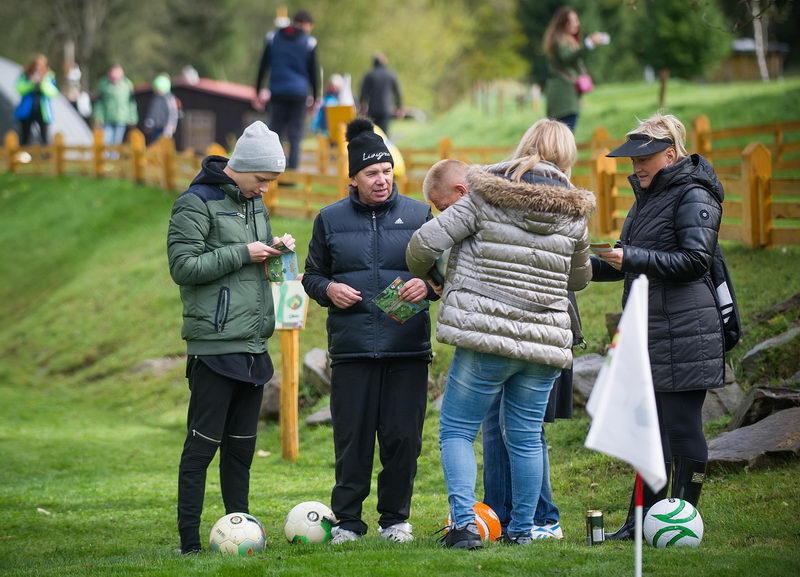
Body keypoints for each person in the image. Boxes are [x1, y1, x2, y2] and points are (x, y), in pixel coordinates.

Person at [406, 119, 593, 548]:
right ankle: (523, 531)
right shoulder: (575, 214)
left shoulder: (486, 193)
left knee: (457, 429)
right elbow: (579, 279)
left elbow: (422, 243)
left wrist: (434, 277)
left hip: (487, 333)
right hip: (544, 340)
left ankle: (465, 526)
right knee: (526, 438)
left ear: (525, 145)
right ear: (566, 157)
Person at [302, 118, 437, 545]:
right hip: (352, 350)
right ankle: (348, 522)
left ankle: (395, 520)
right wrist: (328, 289)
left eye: (386, 171)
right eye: (371, 173)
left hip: (407, 349)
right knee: (352, 440)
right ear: (353, 179)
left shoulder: (419, 215)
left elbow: (444, 273)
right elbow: (311, 276)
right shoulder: (328, 220)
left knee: (403, 439)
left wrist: (428, 287)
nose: (382, 180)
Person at [591, 113, 724, 540]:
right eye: (633, 160)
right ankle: (641, 523)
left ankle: (681, 522)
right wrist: (586, 267)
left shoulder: (694, 193)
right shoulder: (648, 197)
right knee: (648, 431)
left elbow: (695, 261)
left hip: (686, 329)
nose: (637, 166)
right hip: (649, 329)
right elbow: (633, 259)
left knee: (682, 428)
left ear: (670, 153)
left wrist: (629, 257)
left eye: (644, 158)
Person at [167, 121, 293, 554]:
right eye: (261, 179)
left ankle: (243, 531)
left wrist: (275, 250)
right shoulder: (195, 202)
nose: (265, 189)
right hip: (215, 346)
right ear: (239, 167)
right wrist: (244, 253)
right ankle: (188, 543)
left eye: (271, 181)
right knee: (201, 449)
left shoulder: (255, 204)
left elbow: (253, 264)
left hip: (254, 344)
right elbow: (183, 267)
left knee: (241, 450)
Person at [254, 9, 320, 171]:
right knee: (295, 133)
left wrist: (257, 90)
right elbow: (314, 73)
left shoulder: (273, 38)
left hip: (277, 92)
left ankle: (272, 167)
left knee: (275, 131)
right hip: (299, 94)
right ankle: (292, 170)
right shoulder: (309, 42)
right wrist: (315, 96)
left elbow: (263, 66)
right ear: (305, 24)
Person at [543, 6, 608, 133]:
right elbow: (568, 58)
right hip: (563, 99)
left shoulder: (566, 40)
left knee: (560, 137)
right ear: (563, 23)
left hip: (565, 97)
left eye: (576, 20)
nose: (576, 24)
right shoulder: (559, 41)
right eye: (572, 21)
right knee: (564, 138)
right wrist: (589, 43)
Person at [15, 54, 58, 146]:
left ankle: (46, 154)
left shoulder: (49, 77)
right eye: (37, 65)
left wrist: (42, 83)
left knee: (44, 137)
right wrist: (31, 83)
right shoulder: (26, 75)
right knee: (24, 137)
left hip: (43, 111)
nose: (38, 68)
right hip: (27, 110)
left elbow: (54, 92)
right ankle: (23, 154)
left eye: (41, 65)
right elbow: (19, 88)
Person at [93, 64, 138, 145]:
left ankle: (114, 154)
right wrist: (98, 117)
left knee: (117, 142)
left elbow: (131, 103)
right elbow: (99, 103)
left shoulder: (127, 84)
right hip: (107, 118)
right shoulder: (103, 85)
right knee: (106, 141)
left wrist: (133, 118)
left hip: (122, 118)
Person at [359, 53, 402, 136]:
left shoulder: (369, 75)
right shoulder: (391, 75)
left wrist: (362, 107)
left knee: (373, 134)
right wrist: (399, 107)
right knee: (384, 134)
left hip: (372, 109)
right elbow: (398, 93)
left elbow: (363, 93)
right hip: (386, 109)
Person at [143, 74, 180, 145]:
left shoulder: (170, 99)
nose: (156, 91)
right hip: (155, 127)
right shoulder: (155, 99)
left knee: (164, 144)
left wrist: (171, 126)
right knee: (154, 144)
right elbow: (152, 113)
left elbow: (173, 114)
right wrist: (149, 124)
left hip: (166, 128)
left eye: (158, 89)